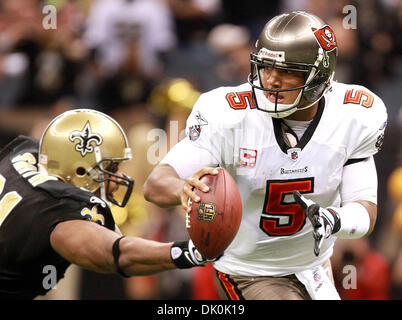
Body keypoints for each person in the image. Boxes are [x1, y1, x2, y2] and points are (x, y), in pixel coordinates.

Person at [143, 11, 388, 300]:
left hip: (313, 268)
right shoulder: (228, 114)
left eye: (286, 71)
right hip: (248, 269)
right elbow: (156, 183)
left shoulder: (354, 115)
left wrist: (334, 219)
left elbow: (364, 209)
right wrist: (183, 188)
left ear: (319, 75)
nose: (271, 79)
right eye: (266, 66)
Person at [0, 109, 208, 300]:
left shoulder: (26, 154)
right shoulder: (60, 211)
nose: (120, 176)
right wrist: (193, 252)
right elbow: (119, 254)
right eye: (112, 167)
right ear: (80, 170)